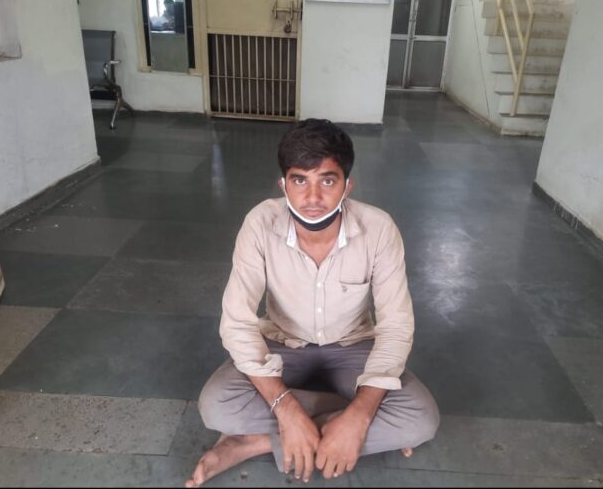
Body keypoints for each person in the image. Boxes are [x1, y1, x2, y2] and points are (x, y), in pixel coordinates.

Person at [185, 119, 440, 487]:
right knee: (216, 405)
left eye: (328, 181)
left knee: (422, 418)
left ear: (347, 186)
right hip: (283, 344)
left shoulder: (379, 229)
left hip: (353, 347)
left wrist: (359, 416)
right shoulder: (260, 224)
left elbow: (396, 326)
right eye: (300, 180)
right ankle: (340, 421)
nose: (313, 197)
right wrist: (287, 409)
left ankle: (253, 443)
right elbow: (237, 322)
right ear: (283, 185)